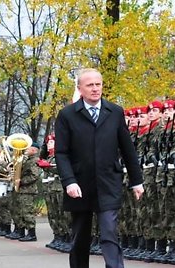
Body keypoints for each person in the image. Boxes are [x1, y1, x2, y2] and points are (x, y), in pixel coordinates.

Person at [55, 68, 144, 268]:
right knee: (80, 237)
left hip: (108, 182)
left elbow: (127, 149)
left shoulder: (114, 112)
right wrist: (69, 181)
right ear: (80, 88)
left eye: (98, 84)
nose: (95, 89)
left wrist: (137, 180)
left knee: (109, 232)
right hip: (80, 184)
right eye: (90, 85)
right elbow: (61, 153)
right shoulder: (67, 115)